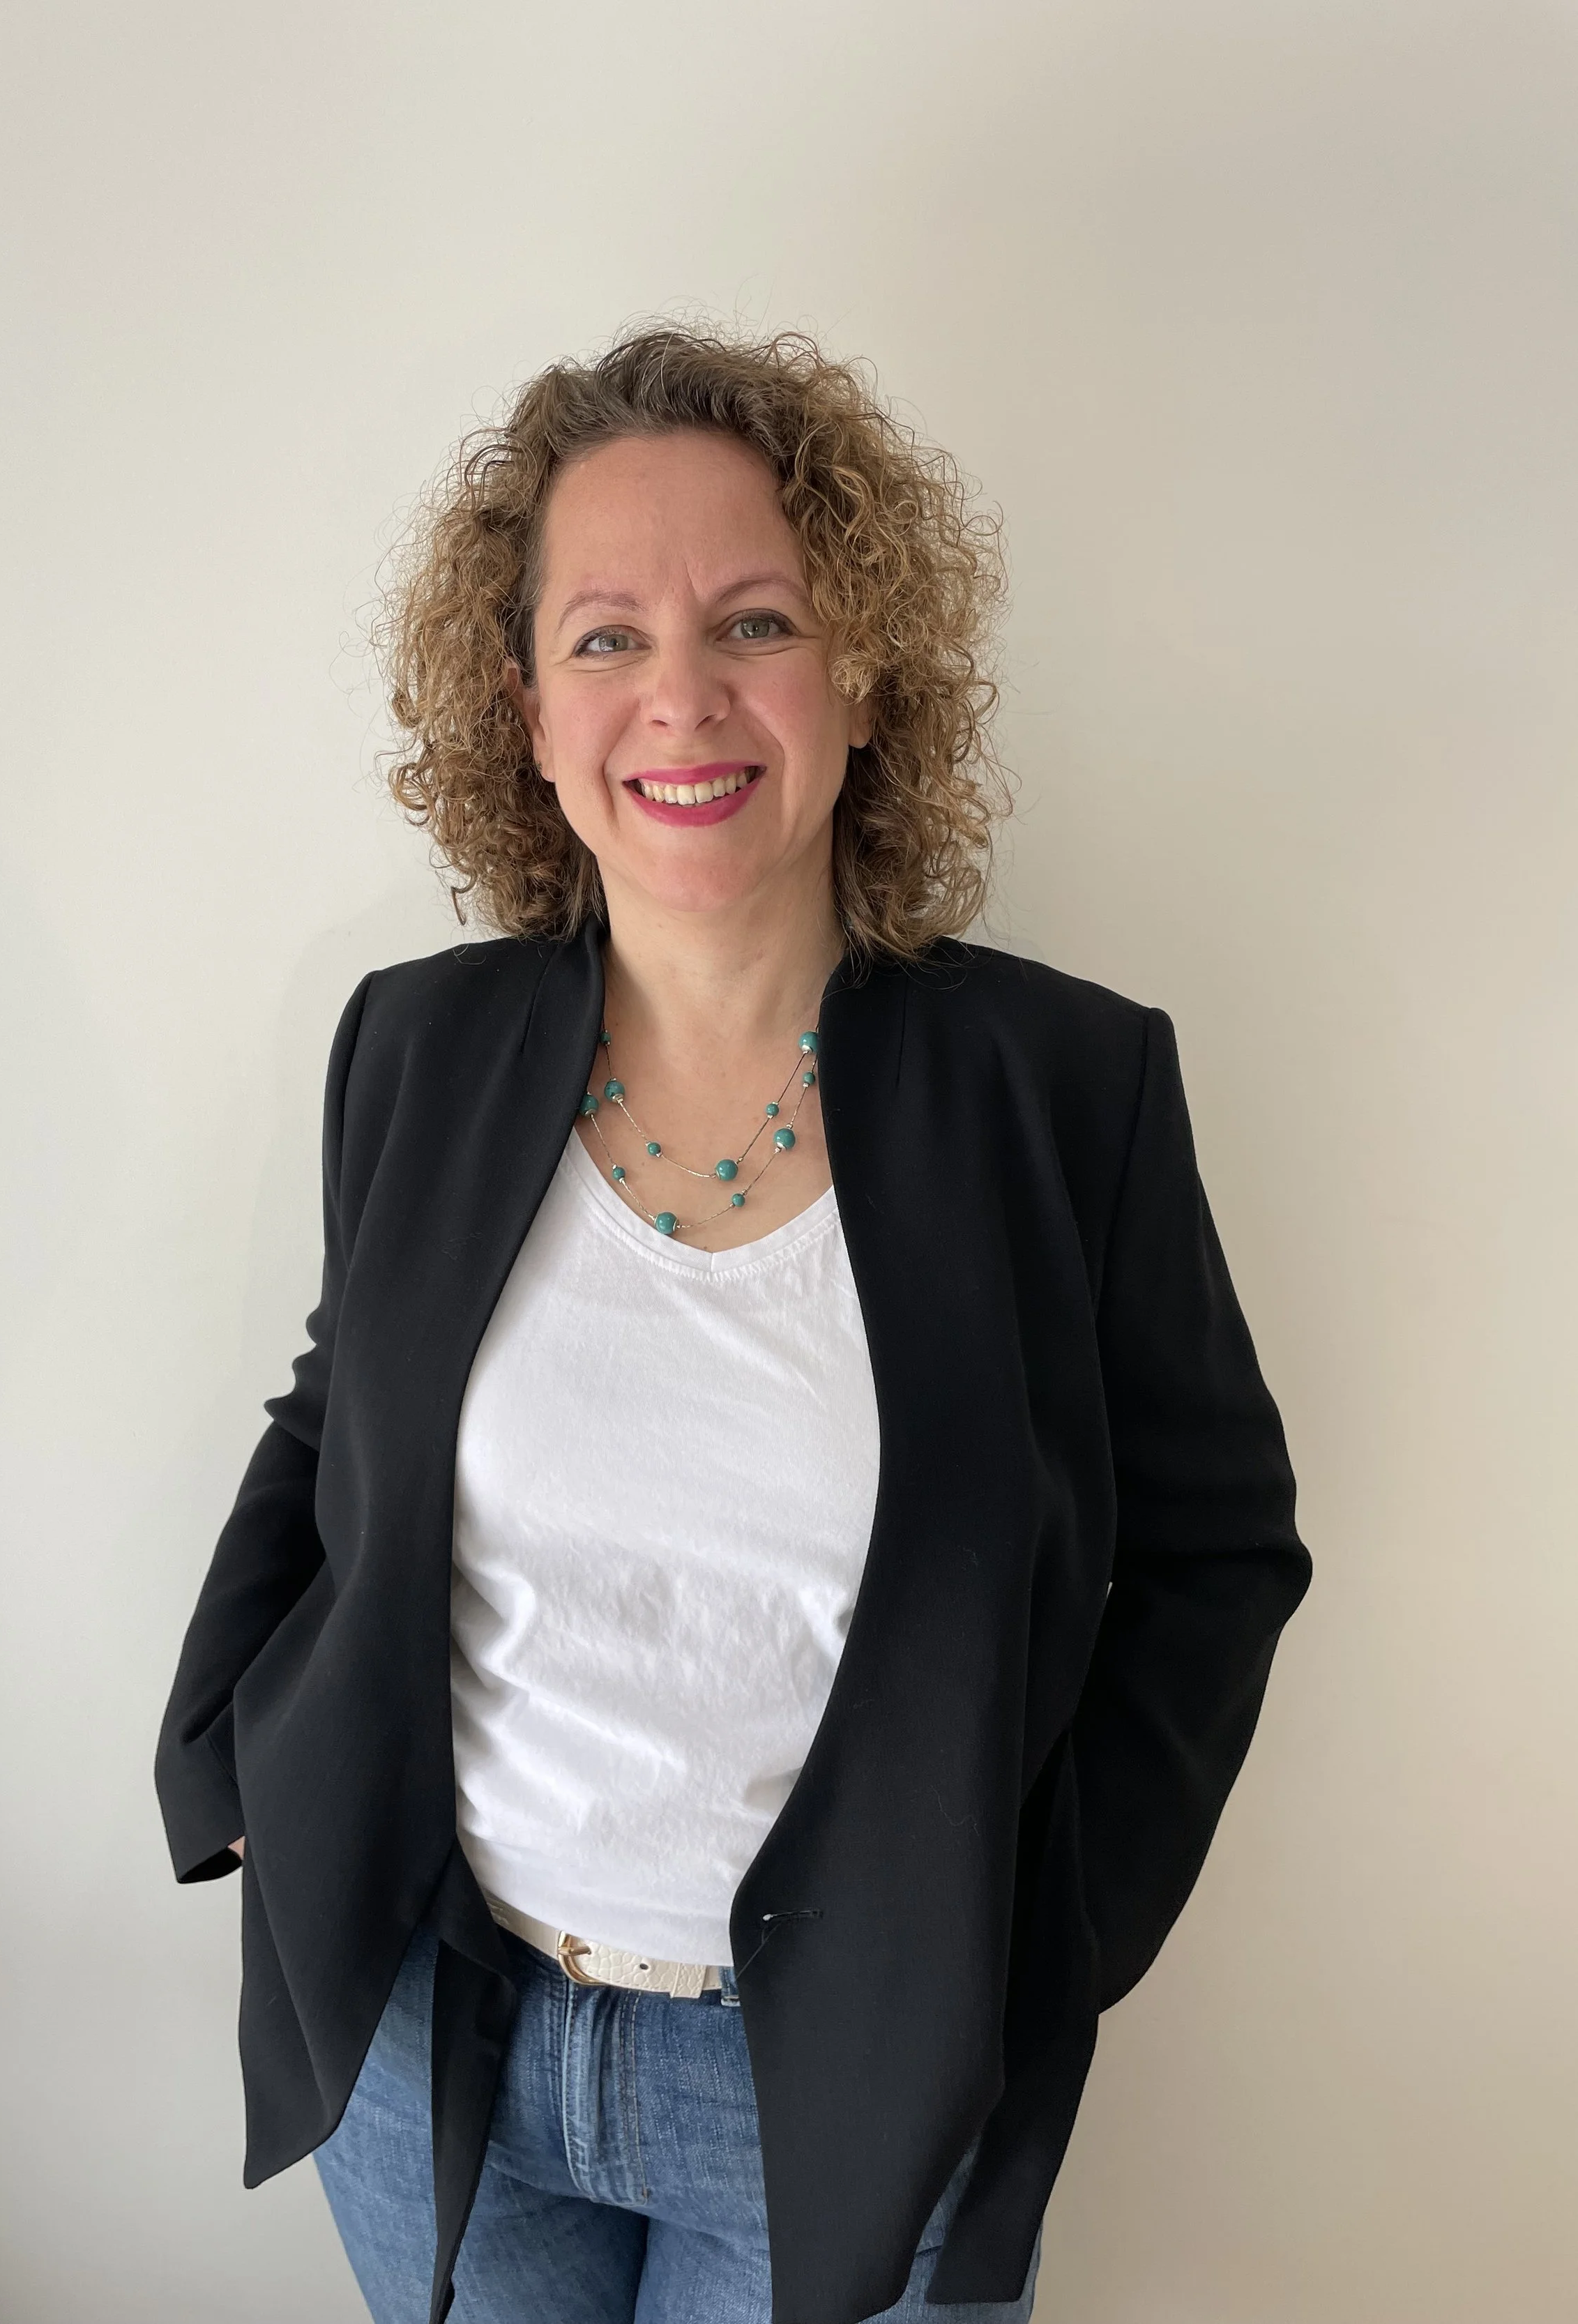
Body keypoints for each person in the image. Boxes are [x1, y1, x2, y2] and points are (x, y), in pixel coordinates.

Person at [155, 326, 1312, 2324]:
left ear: (860, 673)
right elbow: (339, 1415)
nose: (678, 696)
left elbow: (1217, 1553)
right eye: (602, 637)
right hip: (432, 2032)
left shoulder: (1063, 1089)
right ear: (526, 713)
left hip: (847, 2088)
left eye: (754, 621)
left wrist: (1041, 1937)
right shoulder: (416, 1047)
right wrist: (215, 1752)